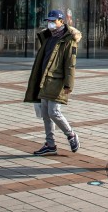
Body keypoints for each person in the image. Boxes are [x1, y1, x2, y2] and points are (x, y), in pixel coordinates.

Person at [23, 9, 82, 156]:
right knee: (45, 113)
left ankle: (71, 135)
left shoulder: (69, 40)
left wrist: (69, 84)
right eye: (48, 21)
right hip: (44, 79)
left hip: (57, 80)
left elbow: (70, 64)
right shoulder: (48, 37)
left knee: (54, 112)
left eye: (53, 21)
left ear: (61, 21)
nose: (50, 23)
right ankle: (50, 144)